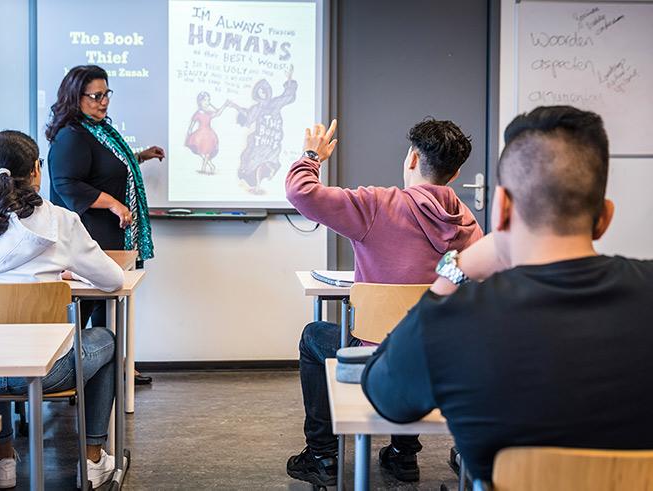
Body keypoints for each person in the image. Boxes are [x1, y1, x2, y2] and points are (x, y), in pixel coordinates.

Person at [361, 105, 653, 483]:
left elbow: (385, 398)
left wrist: (454, 272)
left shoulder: (454, 318)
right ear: (604, 217)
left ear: (501, 210)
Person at [285, 118, 483, 486]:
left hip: (375, 357)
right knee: (413, 336)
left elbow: (301, 192)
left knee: (314, 336)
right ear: (454, 174)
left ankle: (322, 455)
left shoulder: (377, 205)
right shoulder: (468, 225)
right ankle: (403, 455)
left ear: (411, 160)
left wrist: (312, 155)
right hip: (440, 361)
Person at [0, 130, 125, 489]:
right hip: (49, 373)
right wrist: (71, 270)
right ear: (36, 170)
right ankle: (93, 459)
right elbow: (111, 281)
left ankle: (1, 460)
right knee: (106, 339)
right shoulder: (60, 221)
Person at [46, 65, 163, 384]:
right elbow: (67, 183)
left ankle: (110, 370)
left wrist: (141, 156)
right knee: (88, 308)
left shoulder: (100, 130)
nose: (103, 102)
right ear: (76, 97)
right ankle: (75, 375)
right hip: (89, 234)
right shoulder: (72, 135)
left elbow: (104, 167)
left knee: (104, 307)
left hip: (110, 236)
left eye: (106, 94)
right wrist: (113, 203)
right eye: (96, 96)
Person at [230, 67, 297, 194]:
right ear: (257, 94)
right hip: (259, 139)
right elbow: (249, 116)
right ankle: (256, 183)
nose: (263, 94)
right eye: (260, 92)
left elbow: (287, 96)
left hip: (272, 138)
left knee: (266, 161)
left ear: (268, 91)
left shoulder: (275, 103)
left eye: (264, 91)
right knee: (249, 158)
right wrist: (235, 107)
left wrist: (289, 79)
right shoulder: (257, 108)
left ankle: (262, 180)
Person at [185, 91, 228, 175]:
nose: (207, 102)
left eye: (208, 100)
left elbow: (218, 113)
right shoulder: (197, 113)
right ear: (199, 102)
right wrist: (189, 133)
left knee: (208, 151)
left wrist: (224, 106)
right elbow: (191, 125)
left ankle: (204, 168)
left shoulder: (208, 113)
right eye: (205, 100)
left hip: (209, 134)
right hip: (200, 134)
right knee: (200, 151)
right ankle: (211, 166)